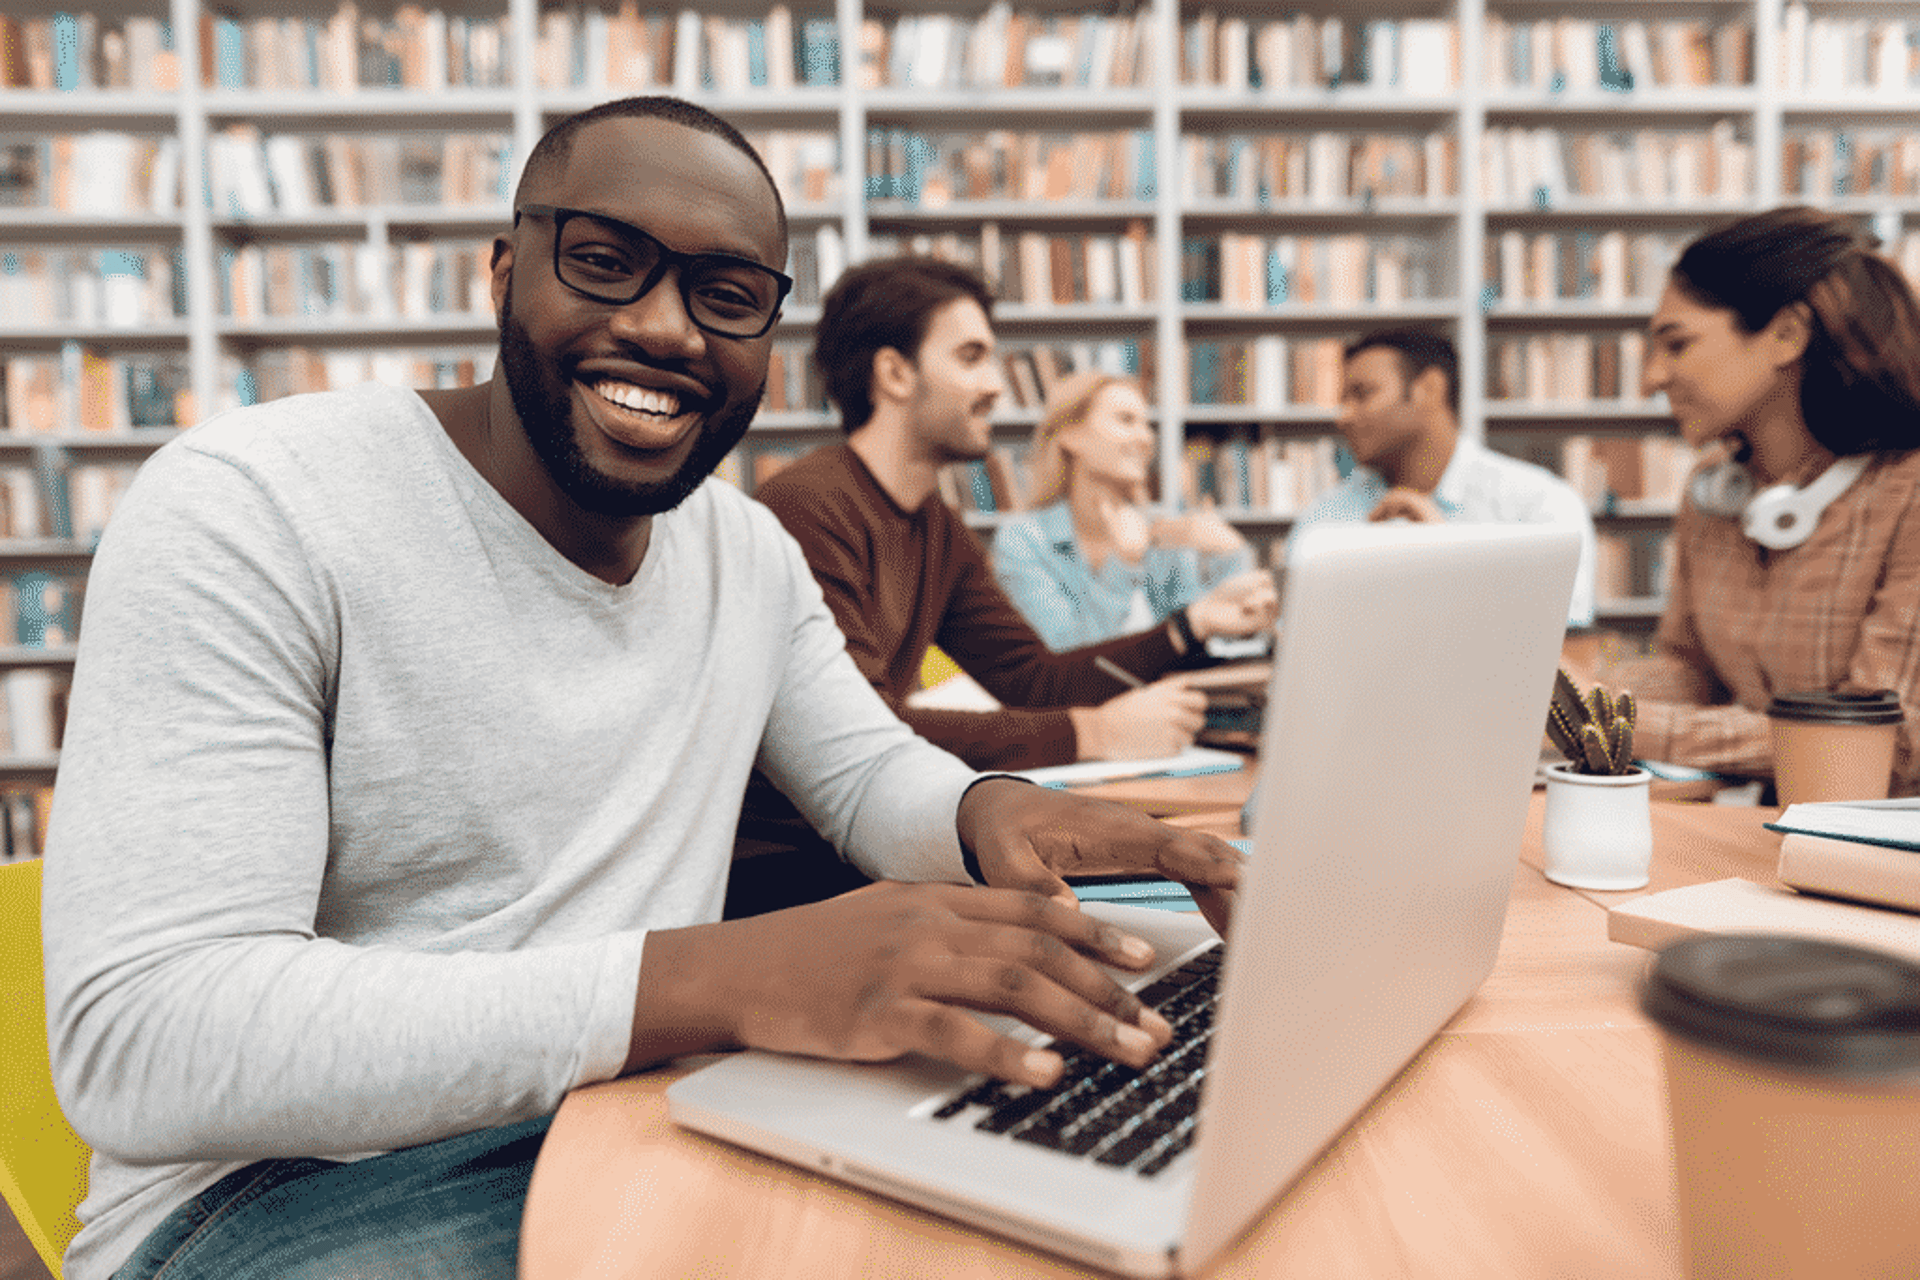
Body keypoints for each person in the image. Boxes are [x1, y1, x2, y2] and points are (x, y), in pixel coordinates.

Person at [38, 97, 1244, 1280]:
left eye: (726, 297)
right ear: (503, 274)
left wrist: (987, 808)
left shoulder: (744, 553)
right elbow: (144, 1036)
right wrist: (715, 979)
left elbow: (867, 770)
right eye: (607, 262)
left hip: (624, 1103)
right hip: (278, 1193)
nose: (669, 329)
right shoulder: (250, 505)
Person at [752, 254, 1278, 777]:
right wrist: (1094, 733)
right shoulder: (808, 509)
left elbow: (1032, 682)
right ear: (894, 373)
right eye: (971, 357)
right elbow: (859, 729)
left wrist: (1192, 624)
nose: (996, 385)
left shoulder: (938, 528)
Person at [1586, 205, 1920, 796]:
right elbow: (1693, 670)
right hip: (1769, 831)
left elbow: (1882, 745)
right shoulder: (1715, 486)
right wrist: (1571, 695)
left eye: (1677, 343)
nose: (1651, 379)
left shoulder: (1908, 490)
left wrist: (1615, 725)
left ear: (1787, 335)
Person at [1289, 327, 1598, 627]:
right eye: (1344, 399)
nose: (1343, 416)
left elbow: (1563, 645)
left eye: (1362, 394)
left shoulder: (1538, 506)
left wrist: (1448, 555)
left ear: (1430, 389)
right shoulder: (1324, 519)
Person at [991, 370, 1278, 651]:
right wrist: (1124, 564)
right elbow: (1065, 658)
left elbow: (1206, 640)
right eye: (1126, 420)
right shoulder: (1023, 542)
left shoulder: (1165, 531)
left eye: (1146, 424)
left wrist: (1230, 555)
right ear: (1070, 436)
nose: (1147, 438)